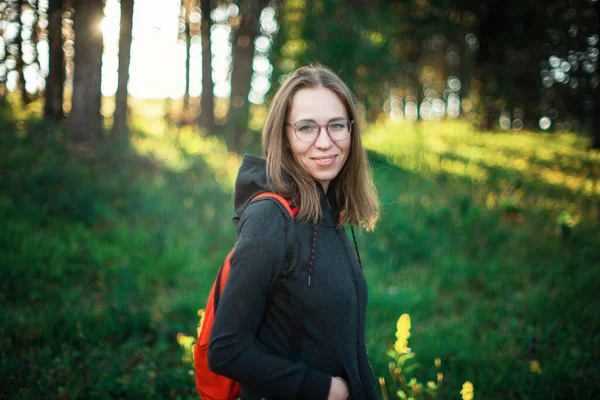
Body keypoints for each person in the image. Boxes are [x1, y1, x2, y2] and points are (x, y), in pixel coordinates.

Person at [207, 65, 380, 400]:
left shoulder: (327, 206)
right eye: (306, 128)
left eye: (337, 126)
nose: (325, 142)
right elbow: (227, 349)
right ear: (284, 136)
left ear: (351, 131)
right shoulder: (270, 219)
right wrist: (330, 390)